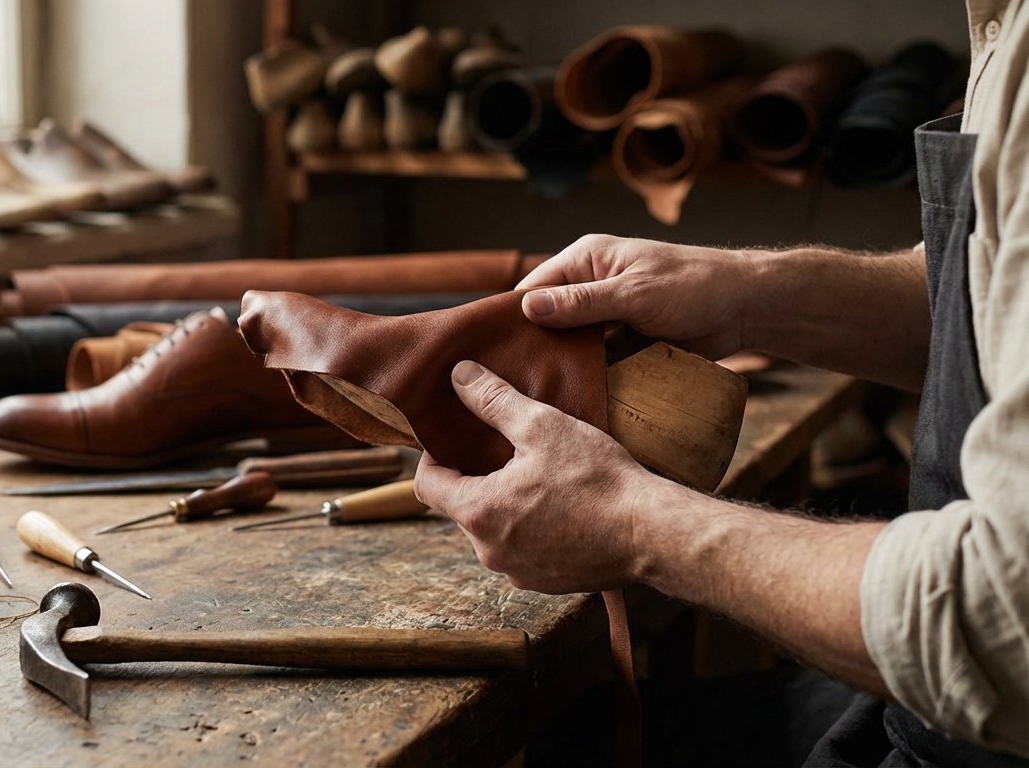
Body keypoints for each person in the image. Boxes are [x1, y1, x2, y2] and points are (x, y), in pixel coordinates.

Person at [413, 3, 1028, 766]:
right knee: (574, 737)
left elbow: (1006, 624)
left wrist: (637, 526)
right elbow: (991, 301)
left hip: (988, 724)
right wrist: (745, 290)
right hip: (931, 700)